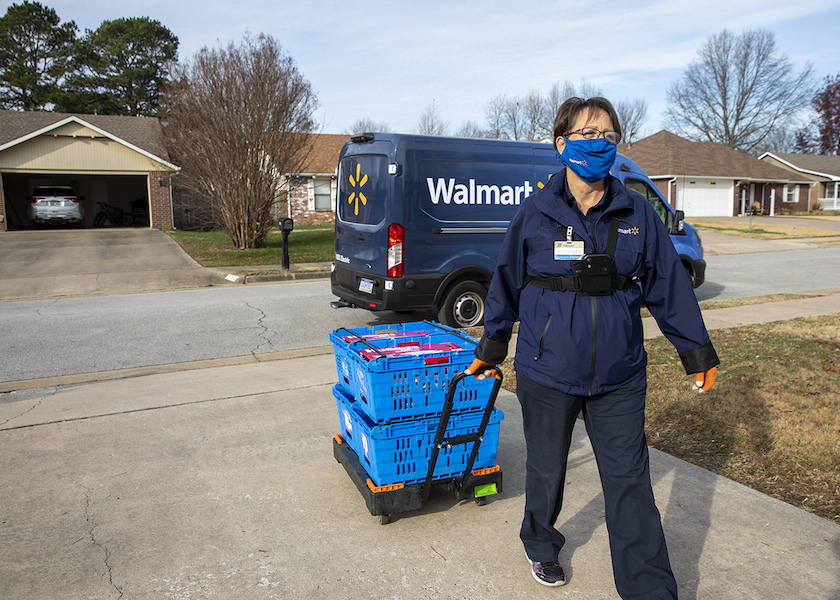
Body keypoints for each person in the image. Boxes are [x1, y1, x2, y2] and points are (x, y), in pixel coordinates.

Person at [467, 97, 719, 599]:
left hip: (619, 375)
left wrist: (696, 350)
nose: (599, 143)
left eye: (608, 135)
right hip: (547, 371)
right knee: (546, 468)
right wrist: (491, 349)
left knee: (630, 482)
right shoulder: (535, 213)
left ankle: (649, 589)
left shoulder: (636, 213)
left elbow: (668, 285)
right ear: (561, 144)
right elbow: (506, 283)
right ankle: (540, 542)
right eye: (587, 134)